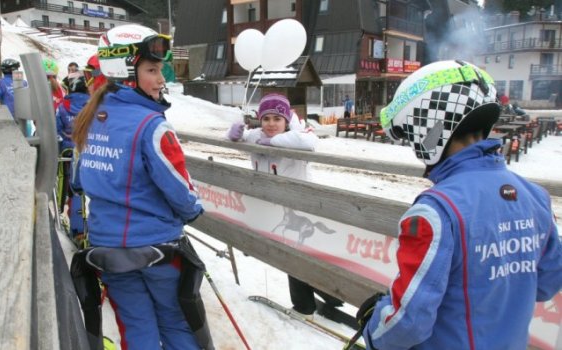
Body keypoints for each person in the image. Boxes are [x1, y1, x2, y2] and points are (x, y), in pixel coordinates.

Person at [356, 60, 562, 350]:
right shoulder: (535, 196)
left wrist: (372, 327)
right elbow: (547, 283)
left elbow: (408, 324)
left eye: (411, 133)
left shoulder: (436, 212)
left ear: (428, 125)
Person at [71, 24, 212, 350]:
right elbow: (180, 192)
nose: (161, 79)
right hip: (157, 251)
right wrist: (194, 206)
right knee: (176, 325)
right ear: (126, 75)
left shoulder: (89, 120)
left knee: (136, 330)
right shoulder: (153, 126)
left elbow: (79, 181)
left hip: (108, 252)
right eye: (152, 70)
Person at [227, 93, 344, 321]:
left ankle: (306, 304)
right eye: (266, 118)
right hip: (273, 207)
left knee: (296, 254)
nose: (271, 124)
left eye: (277, 119)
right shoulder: (258, 136)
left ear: (287, 120)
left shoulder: (297, 135)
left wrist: (273, 143)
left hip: (299, 206)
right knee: (292, 254)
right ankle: (327, 297)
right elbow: (240, 136)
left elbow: (310, 142)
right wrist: (234, 133)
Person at [55, 75, 89, 236]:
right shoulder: (93, 106)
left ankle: (61, 211)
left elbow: (56, 128)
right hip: (87, 152)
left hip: (66, 152)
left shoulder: (62, 105)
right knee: (84, 189)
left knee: (68, 183)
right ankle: (83, 227)